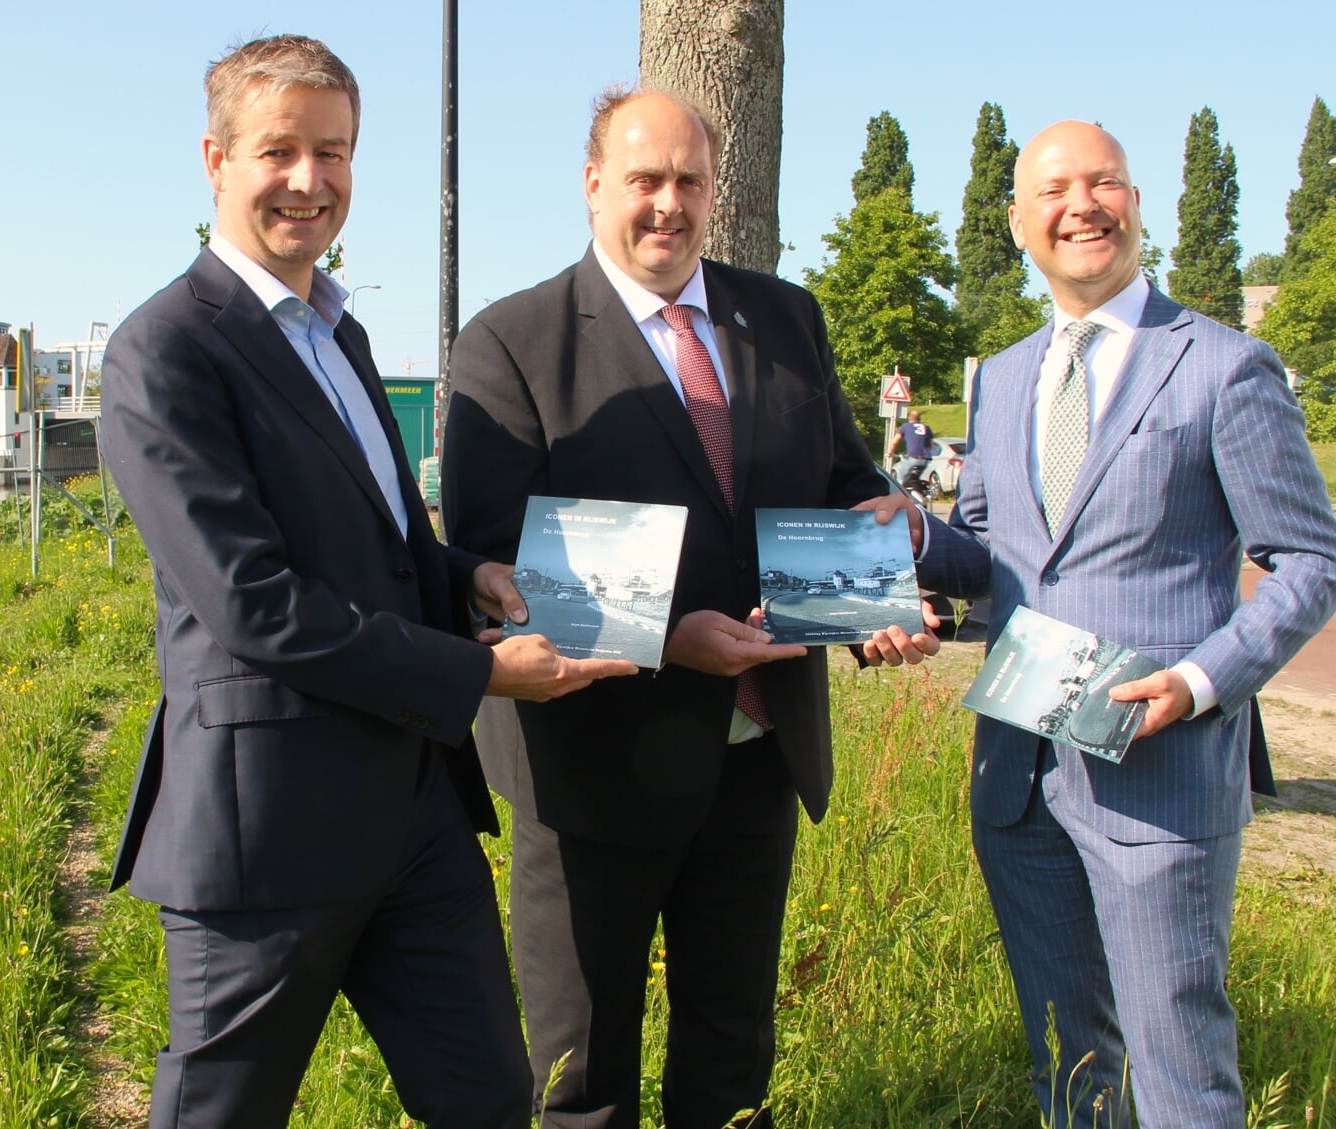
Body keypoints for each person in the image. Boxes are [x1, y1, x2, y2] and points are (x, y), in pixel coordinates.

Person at [97, 34, 636, 1129]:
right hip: (268, 830)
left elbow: (377, 547)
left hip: (414, 816)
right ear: (216, 159)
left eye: (333, 152)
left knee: (488, 1101)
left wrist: (466, 574)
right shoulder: (163, 352)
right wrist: (482, 675)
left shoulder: (340, 337)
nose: (310, 181)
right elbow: (255, 604)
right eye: (279, 151)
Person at [441, 86, 937, 1129]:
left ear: (715, 191)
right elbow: (491, 555)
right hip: (591, 768)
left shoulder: (786, 318)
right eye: (644, 180)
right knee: (582, 1075)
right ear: (592, 186)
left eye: (688, 181)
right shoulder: (511, 341)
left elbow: (841, 475)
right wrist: (669, 638)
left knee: (730, 1053)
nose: (668, 204)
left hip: (757, 750)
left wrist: (872, 546)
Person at [875, 120, 1336, 1127]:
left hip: (1158, 779)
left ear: (1137, 205)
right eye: (1052, 190)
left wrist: (1201, 680)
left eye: (1104, 183)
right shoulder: (1001, 379)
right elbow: (996, 562)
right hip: (1018, 780)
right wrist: (913, 535)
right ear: (1016, 223)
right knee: (1067, 1070)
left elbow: (1310, 561)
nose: (1079, 205)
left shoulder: (1224, 366)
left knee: (1180, 1074)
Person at [887, 408, 933, 491]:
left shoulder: (905, 426)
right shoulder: (926, 427)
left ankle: (900, 496)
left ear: (909, 418)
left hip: (913, 458)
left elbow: (895, 441)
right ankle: (919, 492)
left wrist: (890, 452)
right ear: (919, 418)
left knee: (900, 477)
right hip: (925, 460)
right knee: (913, 479)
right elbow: (931, 446)